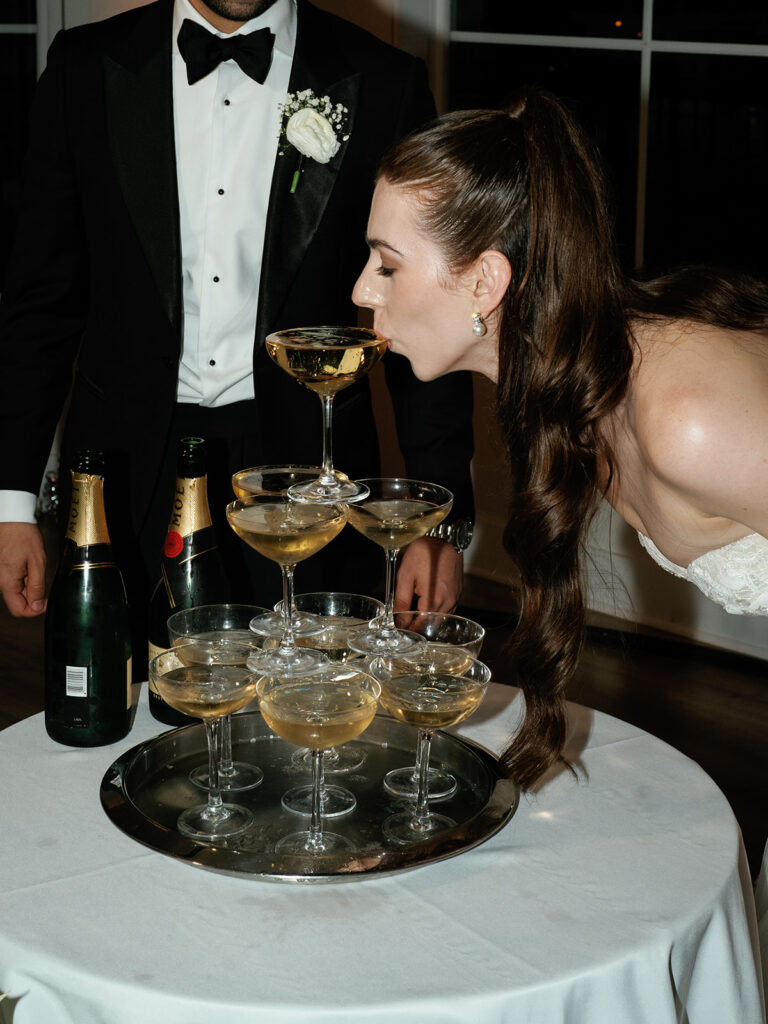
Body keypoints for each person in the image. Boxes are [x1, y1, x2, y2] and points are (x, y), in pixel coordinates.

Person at [0, 0, 474, 639]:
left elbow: (428, 312)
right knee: (123, 713)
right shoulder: (84, 67)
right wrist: (11, 502)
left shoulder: (383, 79)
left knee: (309, 714)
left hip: (314, 481)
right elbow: (40, 304)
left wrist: (436, 520)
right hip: (122, 478)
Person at [352, 88, 768, 793]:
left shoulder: (680, 415)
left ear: (485, 280)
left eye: (388, 265)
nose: (364, 291)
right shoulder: (578, 391)